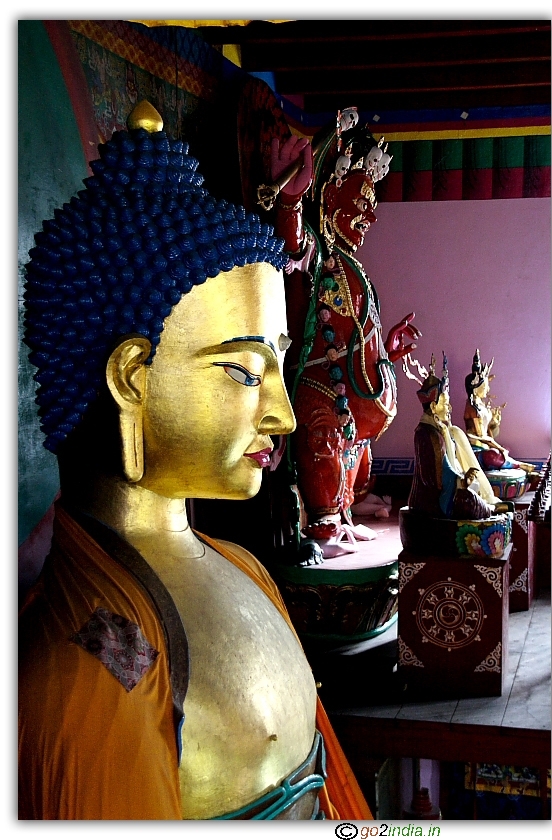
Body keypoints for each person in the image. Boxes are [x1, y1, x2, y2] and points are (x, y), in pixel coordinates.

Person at [19, 101, 371, 820]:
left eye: (279, 366)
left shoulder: (244, 567)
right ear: (131, 379)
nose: (283, 412)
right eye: (245, 372)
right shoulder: (93, 666)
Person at [270, 110, 421, 555]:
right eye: (363, 199)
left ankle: (343, 516)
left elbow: (356, 332)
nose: (370, 214)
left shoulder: (350, 265)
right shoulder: (316, 251)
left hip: (348, 395)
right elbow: (291, 243)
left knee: (354, 445)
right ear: (331, 191)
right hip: (316, 385)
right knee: (324, 434)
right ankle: (323, 526)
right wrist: (291, 202)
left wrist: (385, 350)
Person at [409, 354, 506, 520]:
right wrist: (461, 480)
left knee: (472, 491)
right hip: (431, 500)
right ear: (433, 406)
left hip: (448, 487)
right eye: (445, 403)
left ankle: (488, 506)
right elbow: (434, 476)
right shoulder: (427, 433)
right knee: (468, 499)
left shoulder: (442, 430)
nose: (450, 407)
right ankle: (488, 510)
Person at [464, 349, 536, 474]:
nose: (488, 389)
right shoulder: (472, 408)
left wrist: (494, 424)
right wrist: (499, 448)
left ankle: (508, 462)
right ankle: (519, 465)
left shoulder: (482, 406)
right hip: (476, 450)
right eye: (485, 386)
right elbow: (481, 436)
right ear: (475, 389)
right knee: (492, 456)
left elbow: (489, 433)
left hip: (486, 446)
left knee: (503, 450)